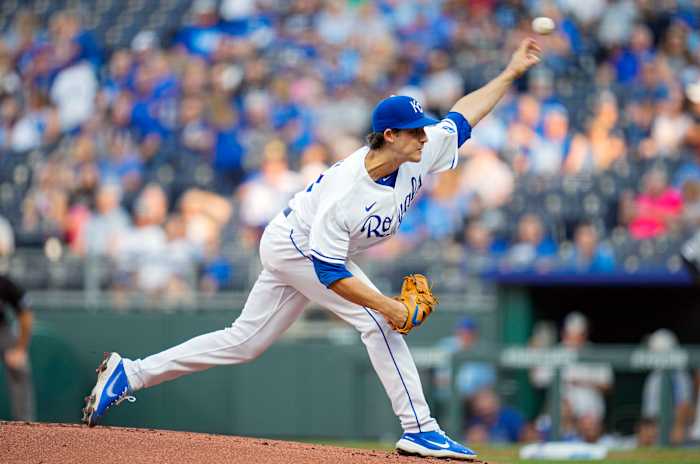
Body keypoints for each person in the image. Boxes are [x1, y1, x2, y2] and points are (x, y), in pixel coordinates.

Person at [82, 38, 543, 460]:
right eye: (414, 130)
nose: (426, 136)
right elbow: (329, 272)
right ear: (389, 136)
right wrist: (388, 306)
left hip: (304, 246)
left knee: (244, 342)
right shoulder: (347, 192)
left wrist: (510, 72)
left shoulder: (418, 153)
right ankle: (419, 427)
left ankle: (131, 373)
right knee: (380, 323)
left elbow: (462, 116)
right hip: (297, 246)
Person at [0, 274, 35, 421]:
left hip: (1, 331)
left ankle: (24, 425)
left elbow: (26, 314)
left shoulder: (4, 283)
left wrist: (20, 349)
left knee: (20, 369)